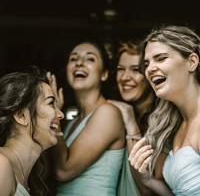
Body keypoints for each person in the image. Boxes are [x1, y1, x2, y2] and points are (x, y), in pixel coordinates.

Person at [129, 25, 200, 196]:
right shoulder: (177, 124)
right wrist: (147, 179)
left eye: (160, 58)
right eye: (147, 64)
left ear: (191, 62)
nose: (150, 69)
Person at [50, 41, 126, 196]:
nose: (79, 63)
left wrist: (53, 113)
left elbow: (63, 171)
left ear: (104, 74)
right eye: (73, 59)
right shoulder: (71, 122)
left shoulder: (108, 113)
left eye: (90, 59)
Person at [110, 40, 172, 196]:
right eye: (120, 69)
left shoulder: (165, 121)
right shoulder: (114, 114)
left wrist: (131, 124)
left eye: (136, 70)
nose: (125, 77)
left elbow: (147, 188)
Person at [0, 67, 64, 196]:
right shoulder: (2, 166)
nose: (61, 114)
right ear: (21, 116)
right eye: (51, 103)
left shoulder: (30, 177)